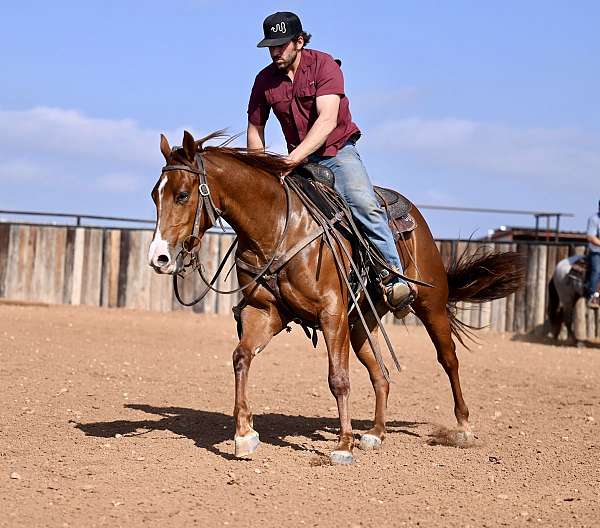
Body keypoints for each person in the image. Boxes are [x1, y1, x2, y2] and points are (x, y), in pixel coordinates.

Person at [246, 11, 415, 311]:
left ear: (299, 42)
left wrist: (292, 159)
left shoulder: (324, 66)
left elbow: (327, 121)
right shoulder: (264, 81)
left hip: (337, 152)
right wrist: (259, 171)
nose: (275, 52)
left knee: (362, 203)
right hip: (298, 160)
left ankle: (394, 278)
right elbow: (255, 129)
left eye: (281, 45)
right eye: (271, 46)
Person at [585, 201, 600, 309]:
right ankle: (592, 296)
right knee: (597, 270)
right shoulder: (594, 219)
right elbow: (591, 237)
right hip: (597, 251)